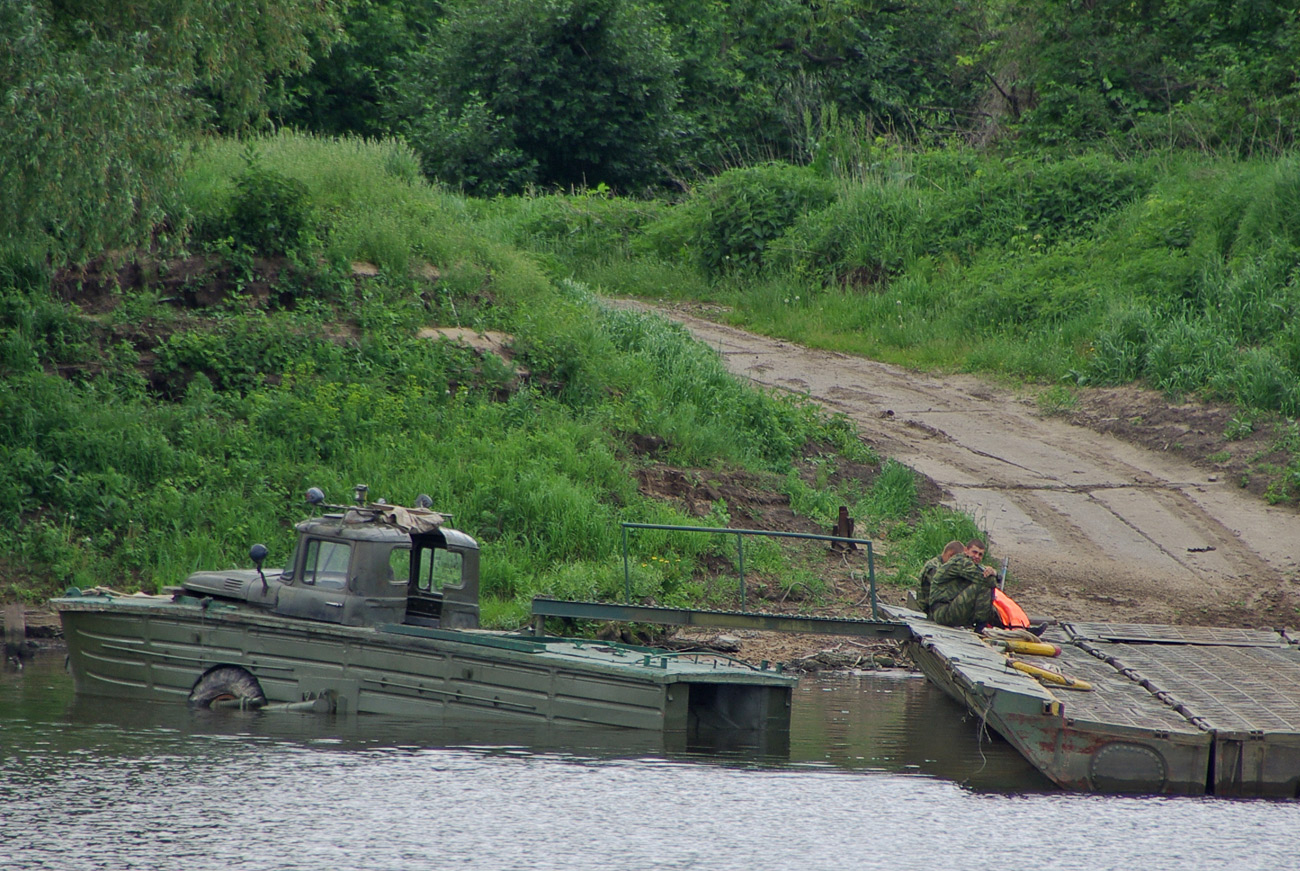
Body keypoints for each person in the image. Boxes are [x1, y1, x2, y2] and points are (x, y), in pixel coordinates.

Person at [928, 537, 999, 629]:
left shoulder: (970, 564)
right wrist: (993, 574)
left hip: (947, 608)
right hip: (942, 612)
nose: (977, 556)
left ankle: (984, 623)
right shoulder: (961, 562)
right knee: (982, 586)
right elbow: (989, 581)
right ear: (966, 550)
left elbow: (985, 575)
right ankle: (981, 627)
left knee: (983, 586)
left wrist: (992, 572)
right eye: (974, 552)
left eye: (980, 554)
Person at [917, 540, 964, 614]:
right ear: (950, 555)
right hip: (931, 609)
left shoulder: (940, 565)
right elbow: (940, 592)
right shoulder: (934, 568)